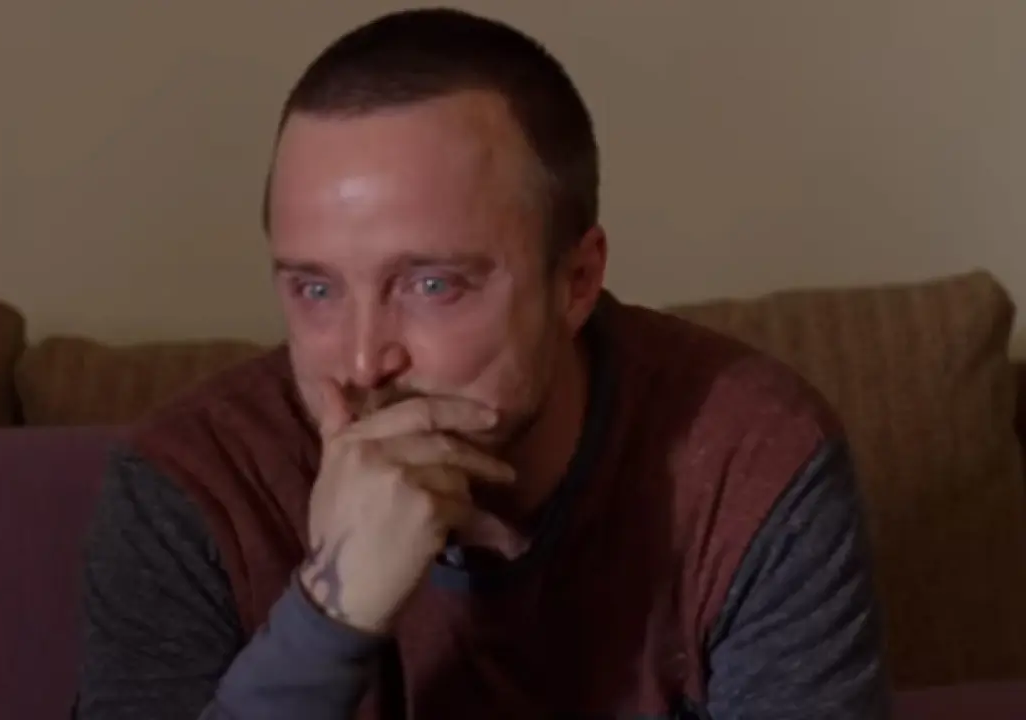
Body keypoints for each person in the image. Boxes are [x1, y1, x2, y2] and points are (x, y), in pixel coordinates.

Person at [76, 8, 889, 719]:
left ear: (577, 281)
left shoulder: (747, 461)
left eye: (432, 284)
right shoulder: (189, 490)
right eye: (315, 289)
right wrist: (329, 615)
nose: (362, 360)